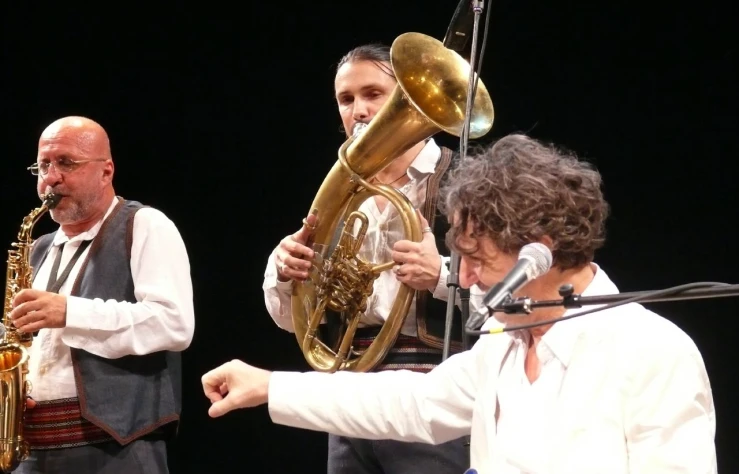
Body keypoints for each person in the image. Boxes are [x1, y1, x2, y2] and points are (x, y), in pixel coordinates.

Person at [204, 133, 717, 473]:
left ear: (539, 250)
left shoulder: (653, 351)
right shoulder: (504, 346)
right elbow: (412, 404)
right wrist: (269, 387)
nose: (463, 277)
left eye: (477, 259)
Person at [261, 43, 483, 473]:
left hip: (434, 399)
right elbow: (295, 321)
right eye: (346, 100)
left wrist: (440, 274)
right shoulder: (340, 193)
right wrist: (288, 273)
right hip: (350, 395)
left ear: (409, 97)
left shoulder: (467, 181)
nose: (358, 110)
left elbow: (514, 296)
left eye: (373, 94)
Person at [7, 116, 195, 474]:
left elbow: (175, 324)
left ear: (106, 172)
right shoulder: (40, 249)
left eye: (66, 163)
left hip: (115, 449)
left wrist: (70, 312)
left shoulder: (146, 224)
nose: (51, 177)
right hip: (33, 450)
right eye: (43, 165)